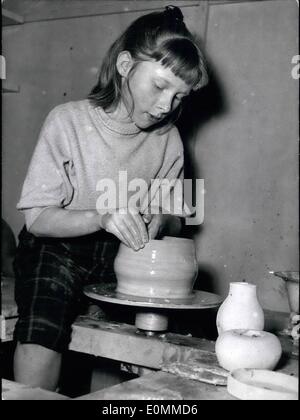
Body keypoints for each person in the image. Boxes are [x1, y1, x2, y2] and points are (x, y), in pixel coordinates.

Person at [12, 5, 208, 391]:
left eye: (180, 96)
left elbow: (178, 217)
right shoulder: (67, 120)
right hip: (57, 247)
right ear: (124, 65)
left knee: (144, 347)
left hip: (122, 252)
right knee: (42, 331)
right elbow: (37, 218)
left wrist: (162, 220)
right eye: (159, 86)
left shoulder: (168, 139)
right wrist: (101, 216)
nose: (166, 106)